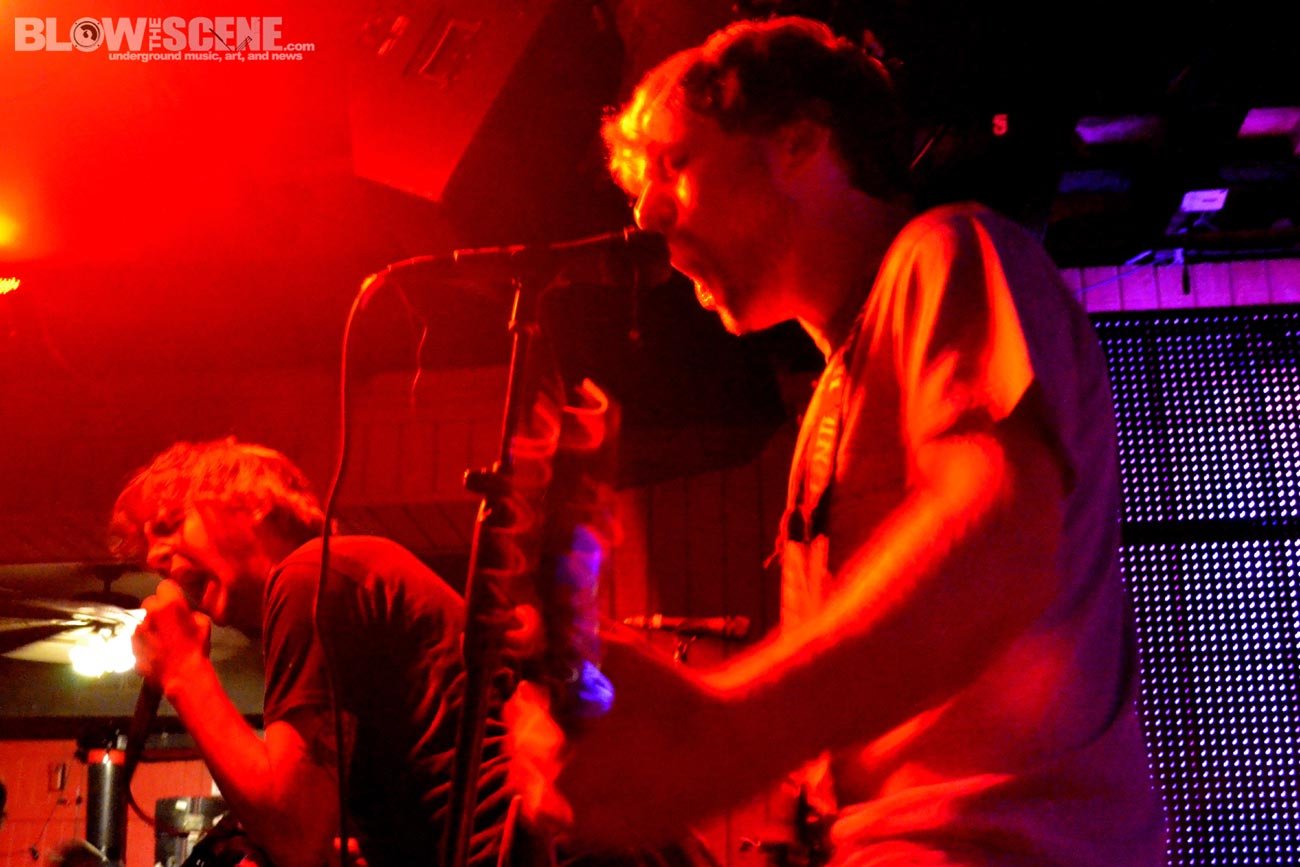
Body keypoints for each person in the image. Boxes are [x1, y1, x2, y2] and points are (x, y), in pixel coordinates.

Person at [509, 15, 1168, 866]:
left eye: (675, 164)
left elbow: (1000, 535)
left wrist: (721, 728)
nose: (647, 213)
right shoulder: (834, 392)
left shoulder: (947, 250)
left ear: (799, 140)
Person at [112, 438, 516, 867]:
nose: (156, 557)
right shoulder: (341, 576)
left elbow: (294, 833)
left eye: (170, 524)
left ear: (253, 505)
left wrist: (183, 670)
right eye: (149, 551)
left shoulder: (309, 576)